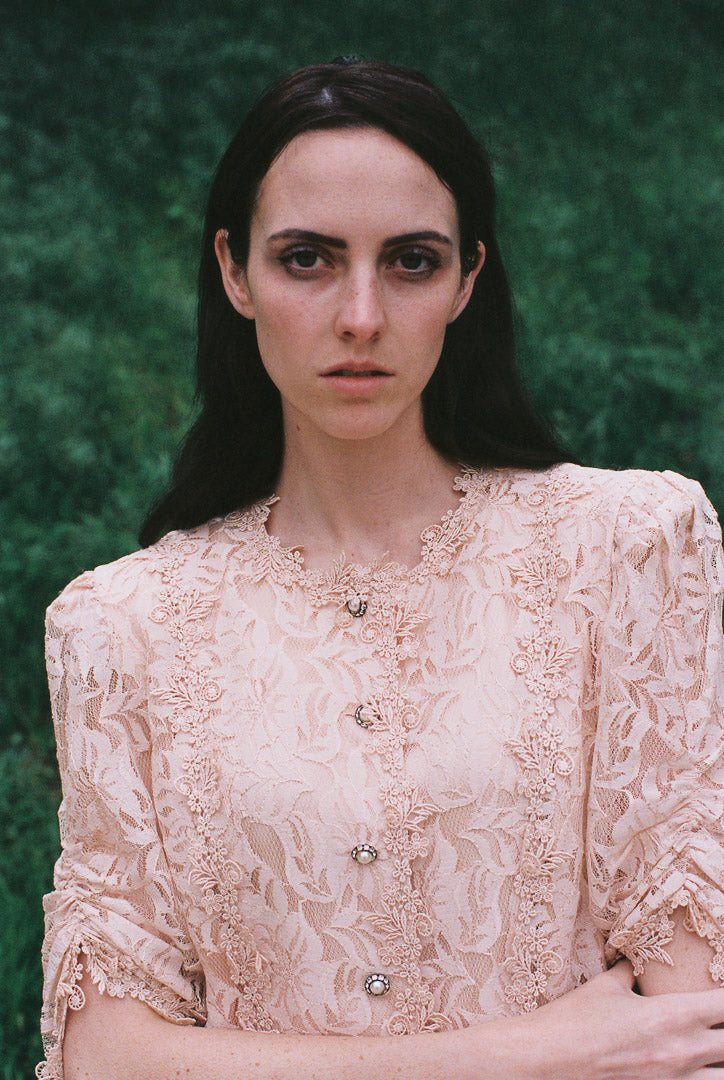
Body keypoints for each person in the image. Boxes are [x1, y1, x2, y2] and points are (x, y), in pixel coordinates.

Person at [37, 59, 724, 1079]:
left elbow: (689, 1020)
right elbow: (103, 1053)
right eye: (307, 259)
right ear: (233, 272)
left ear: (467, 280)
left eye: (409, 261)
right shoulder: (119, 626)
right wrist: (527, 1056)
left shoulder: (625, 546)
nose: (360, 315)